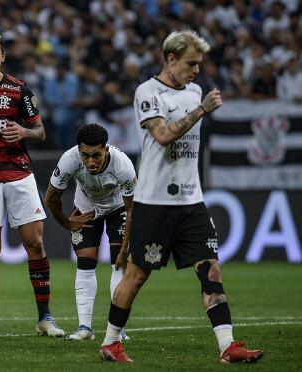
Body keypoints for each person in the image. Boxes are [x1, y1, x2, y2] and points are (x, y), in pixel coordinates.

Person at [99, 30, 263, 364]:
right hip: (154, 202)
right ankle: (110, 343)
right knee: (137, 276)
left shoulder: (195, 91)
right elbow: (162, 135)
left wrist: (199, 104)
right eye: (191, 63)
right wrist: (201, 110)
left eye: (199, 64)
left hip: (191, 202)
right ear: (170, 58)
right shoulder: (148, 92)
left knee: (211, 270)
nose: (196, 70)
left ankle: (227, 346)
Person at [0, 30, 64, 338]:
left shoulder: (20, 90)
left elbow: (40, 132)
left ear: (3, 57)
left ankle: (45, 318)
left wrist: (23, 131)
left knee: (35, 244)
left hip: (19, 176)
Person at [44, 124, 136, 341]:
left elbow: (133, 209)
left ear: (106, 149)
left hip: (119, 209)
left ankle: (117, 329)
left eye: (96, 155)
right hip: (86, 210)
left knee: (118, 263)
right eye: (85, 156)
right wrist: (67, 223)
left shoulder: (123, 165)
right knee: (85, 263)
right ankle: (85, 328)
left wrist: (125, 249)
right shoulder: (70, 159)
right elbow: (50, 198)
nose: (90, 162)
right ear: (79, 151)